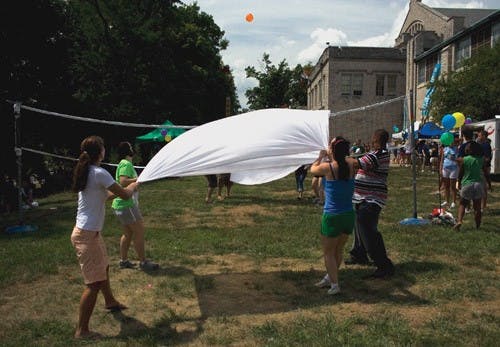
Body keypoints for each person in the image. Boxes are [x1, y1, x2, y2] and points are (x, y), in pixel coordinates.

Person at [70, 136, 139, 339]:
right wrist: (136, 184)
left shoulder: (90, 172)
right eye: (102, 147)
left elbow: (105, 196)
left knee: (104, 268)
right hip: (86, 235)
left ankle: (110, 301)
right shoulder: (99, 173)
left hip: (88, 233)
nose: (104, 150)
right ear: (99, 152)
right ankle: (82, 331)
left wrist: (126, 189)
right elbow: (125, 194)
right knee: (93, 285)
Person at [346, 129, 395, 279]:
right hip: (362, 198)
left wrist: (340, 157)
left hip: (371, 199)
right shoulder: (374, 153)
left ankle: (383, 264)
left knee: (368, 231)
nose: (372, 141)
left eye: (374, 139)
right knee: (359, 229)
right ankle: (359, 254)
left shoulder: (378, 155)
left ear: (378, 141)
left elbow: (356, 163)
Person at [311, 137, 357, 295]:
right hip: (348, 215)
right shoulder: (351, 164)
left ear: (332, 150)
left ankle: (335, 285)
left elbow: (312, 170)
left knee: (328, 252)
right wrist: (330, 155)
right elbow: (341, 164)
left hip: (332, 216)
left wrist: (319, 156)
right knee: (339, 249)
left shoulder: (327, 168)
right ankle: (330, 277)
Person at [112, 141, 159, 271]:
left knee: (128, 233)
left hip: (120, 205)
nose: (133, 149)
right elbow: (122, 181)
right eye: (131, 147)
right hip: (126, 204)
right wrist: (139, 179)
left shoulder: (124, 163)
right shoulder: (126, 163)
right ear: (128, 150)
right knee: (139, 231)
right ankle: (143, 262)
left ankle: (124, 261)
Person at [454, 141, 485, 230]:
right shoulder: (480, 159)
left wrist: (459, 182)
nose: (465, 148)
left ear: (470, 150)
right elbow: (486, 173)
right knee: (477, 206)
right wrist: (489, 184)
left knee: (462, 204)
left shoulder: (464, 159)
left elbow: (461, 172)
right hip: (478, 184)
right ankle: (478, 226)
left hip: (467, 184)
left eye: (467, 147)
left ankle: (459, 221)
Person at [439, 134, 460, 209]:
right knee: (446, 186)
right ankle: (446, 200)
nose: (451, 143)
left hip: (454, 168)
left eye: (452, 141)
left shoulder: (457, 149)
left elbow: (458, 159)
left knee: (453, 186)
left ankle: (454, 201)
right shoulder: (444, 149)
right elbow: (442, 160)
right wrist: (440, 169)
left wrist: (454, 159)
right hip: (445, 168)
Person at [476, 129, 492, 210]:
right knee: (480, 187)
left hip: (484, 167)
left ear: (484, 136)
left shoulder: (486, 145)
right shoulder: (481, 144)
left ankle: (483, 206)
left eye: (479, 136)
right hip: (480, 167)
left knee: (483, 188)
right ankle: (481, 205)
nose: (478, 137)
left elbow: (487, 158)